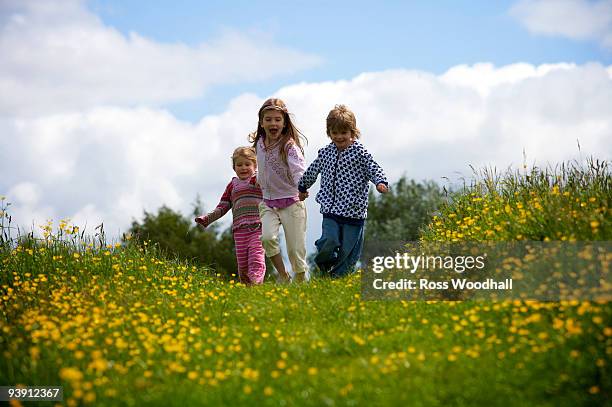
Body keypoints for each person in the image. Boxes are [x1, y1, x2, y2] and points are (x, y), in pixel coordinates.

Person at [298, 104, 388, 278]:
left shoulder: (360, 153)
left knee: (348, 252)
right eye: (335, 133)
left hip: (354, 211)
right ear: (329, 133)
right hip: (330, 210)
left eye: (344, 133)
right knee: (328, 241)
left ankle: (337, 279)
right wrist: (302, 187)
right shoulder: (325, 153)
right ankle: (324, 265)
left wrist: (380, 182)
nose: (339, 137)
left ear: (352, 132)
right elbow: (312, 170)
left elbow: (373, 168)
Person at [249, 98, 308, 282]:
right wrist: (257, 178)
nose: (273, 123)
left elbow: (298, 169)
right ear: (261, 122)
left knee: (295, 250)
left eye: (277, 120)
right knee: (267, 238)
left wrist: (302, 187)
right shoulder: (259, 142)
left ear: (284, 123)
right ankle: (283, 275)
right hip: (268, 203)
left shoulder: (289, 146)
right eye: (268, 119)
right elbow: (261, 164)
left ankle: (300, 280)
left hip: (291, 202)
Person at [195, 147, 266, 285]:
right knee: (243, 265)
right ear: (234, 168)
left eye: (247, 164)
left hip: (259, 227)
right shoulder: (232, 185)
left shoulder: (259, 179)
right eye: (239, 165)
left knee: (256, 259)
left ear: (255, 166)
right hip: (239, 231)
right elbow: (222, 206)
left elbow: (272, 191)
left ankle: (256, 284)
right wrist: (208, 218)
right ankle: (248, 290)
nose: (243, 168)